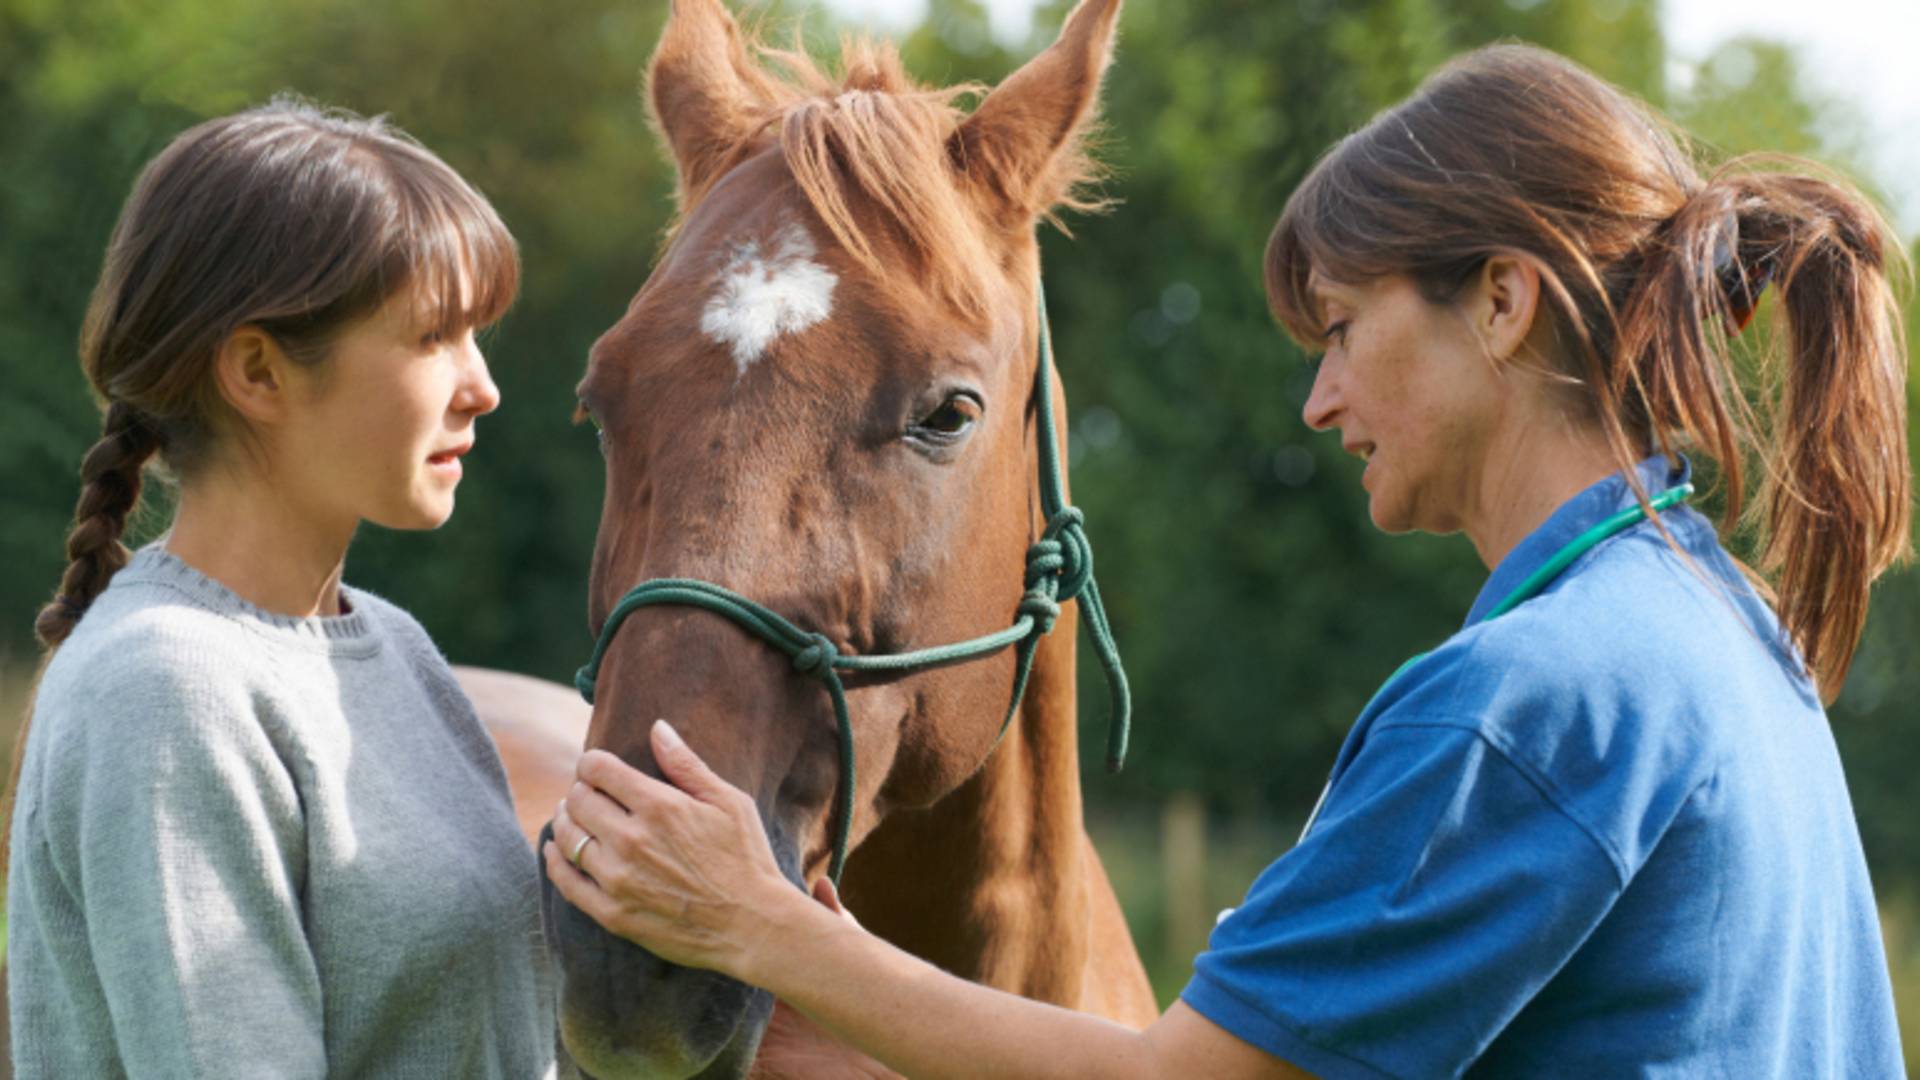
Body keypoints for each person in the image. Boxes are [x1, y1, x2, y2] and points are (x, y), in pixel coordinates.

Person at [540, 43, 1910, 1077]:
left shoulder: (1526, 704)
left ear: (1500, 303)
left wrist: (767, 930)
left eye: (1343, 328)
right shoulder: (1715, 625)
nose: (1318, 403)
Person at [3, 99, 556, 1077]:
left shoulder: (396, 648)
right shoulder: (166, 689)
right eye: (435, 336)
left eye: (480, 336)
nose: (483, 386)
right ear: (258, 371)